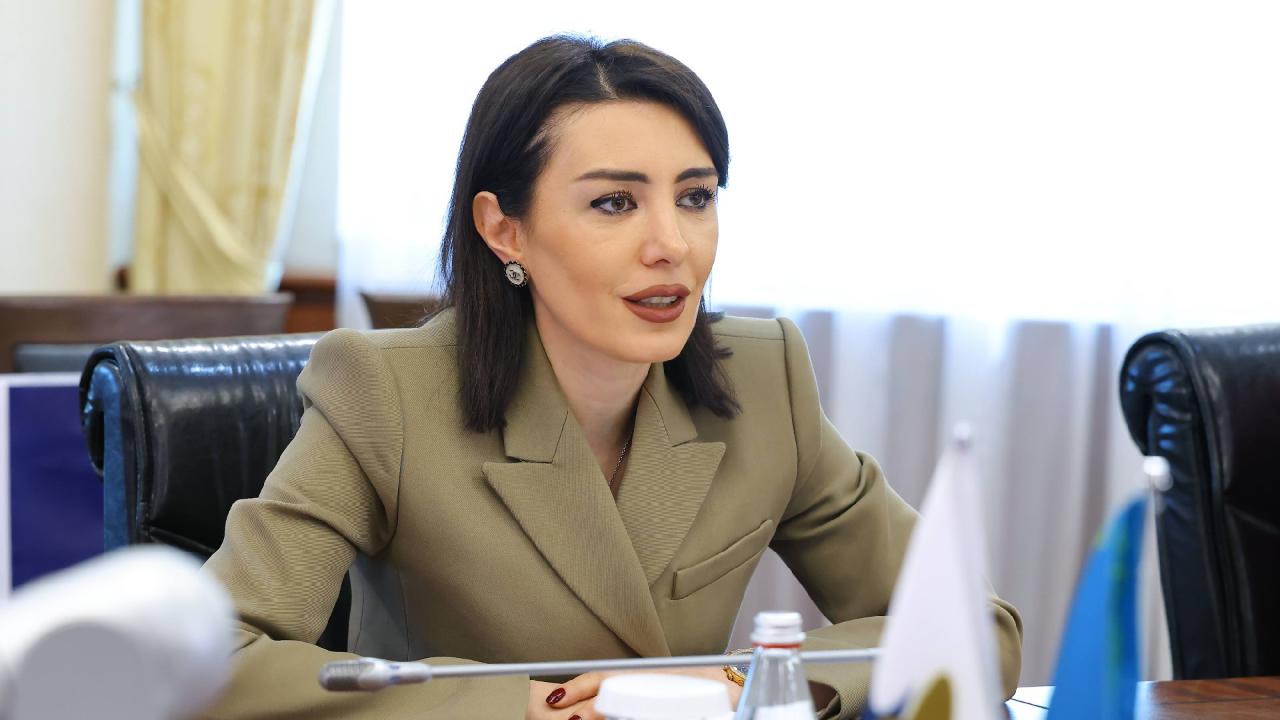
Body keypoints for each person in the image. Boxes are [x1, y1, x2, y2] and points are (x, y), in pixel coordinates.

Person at [200, 35, 1023, 720]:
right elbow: (215, 657)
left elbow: (973, 629)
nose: (672, 245)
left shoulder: (765, 379)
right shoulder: (386, 394)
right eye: (614, 204)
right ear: (503, 229)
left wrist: (744, 683)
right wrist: (526, 707)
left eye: (695, 198)